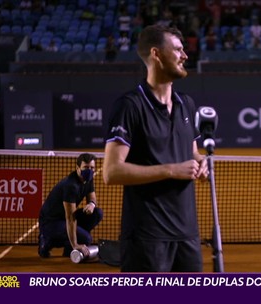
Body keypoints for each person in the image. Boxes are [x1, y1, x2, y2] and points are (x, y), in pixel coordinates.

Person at [102, 24, 208, 272]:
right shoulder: (129, 106)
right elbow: (111, 172)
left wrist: (201, 163)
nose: (185, 56)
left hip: (187, 235)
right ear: (156, 54)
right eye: (178, 50)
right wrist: (171, 170)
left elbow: (191, 151)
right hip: (146, 238)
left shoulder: (187, 104)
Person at [38, 153, 103, 258]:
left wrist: (91, 204)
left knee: (97, 213)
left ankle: (69, 247)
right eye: (86, 167)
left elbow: (92, 197)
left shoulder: (88, 179)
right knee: (86, 239)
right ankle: (46, 239)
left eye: (92, 168)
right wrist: (76, 244)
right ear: (78, 168)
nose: (90, 170)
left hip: (64, 219)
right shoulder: (71, 186)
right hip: (51, 222)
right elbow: (70, 218)